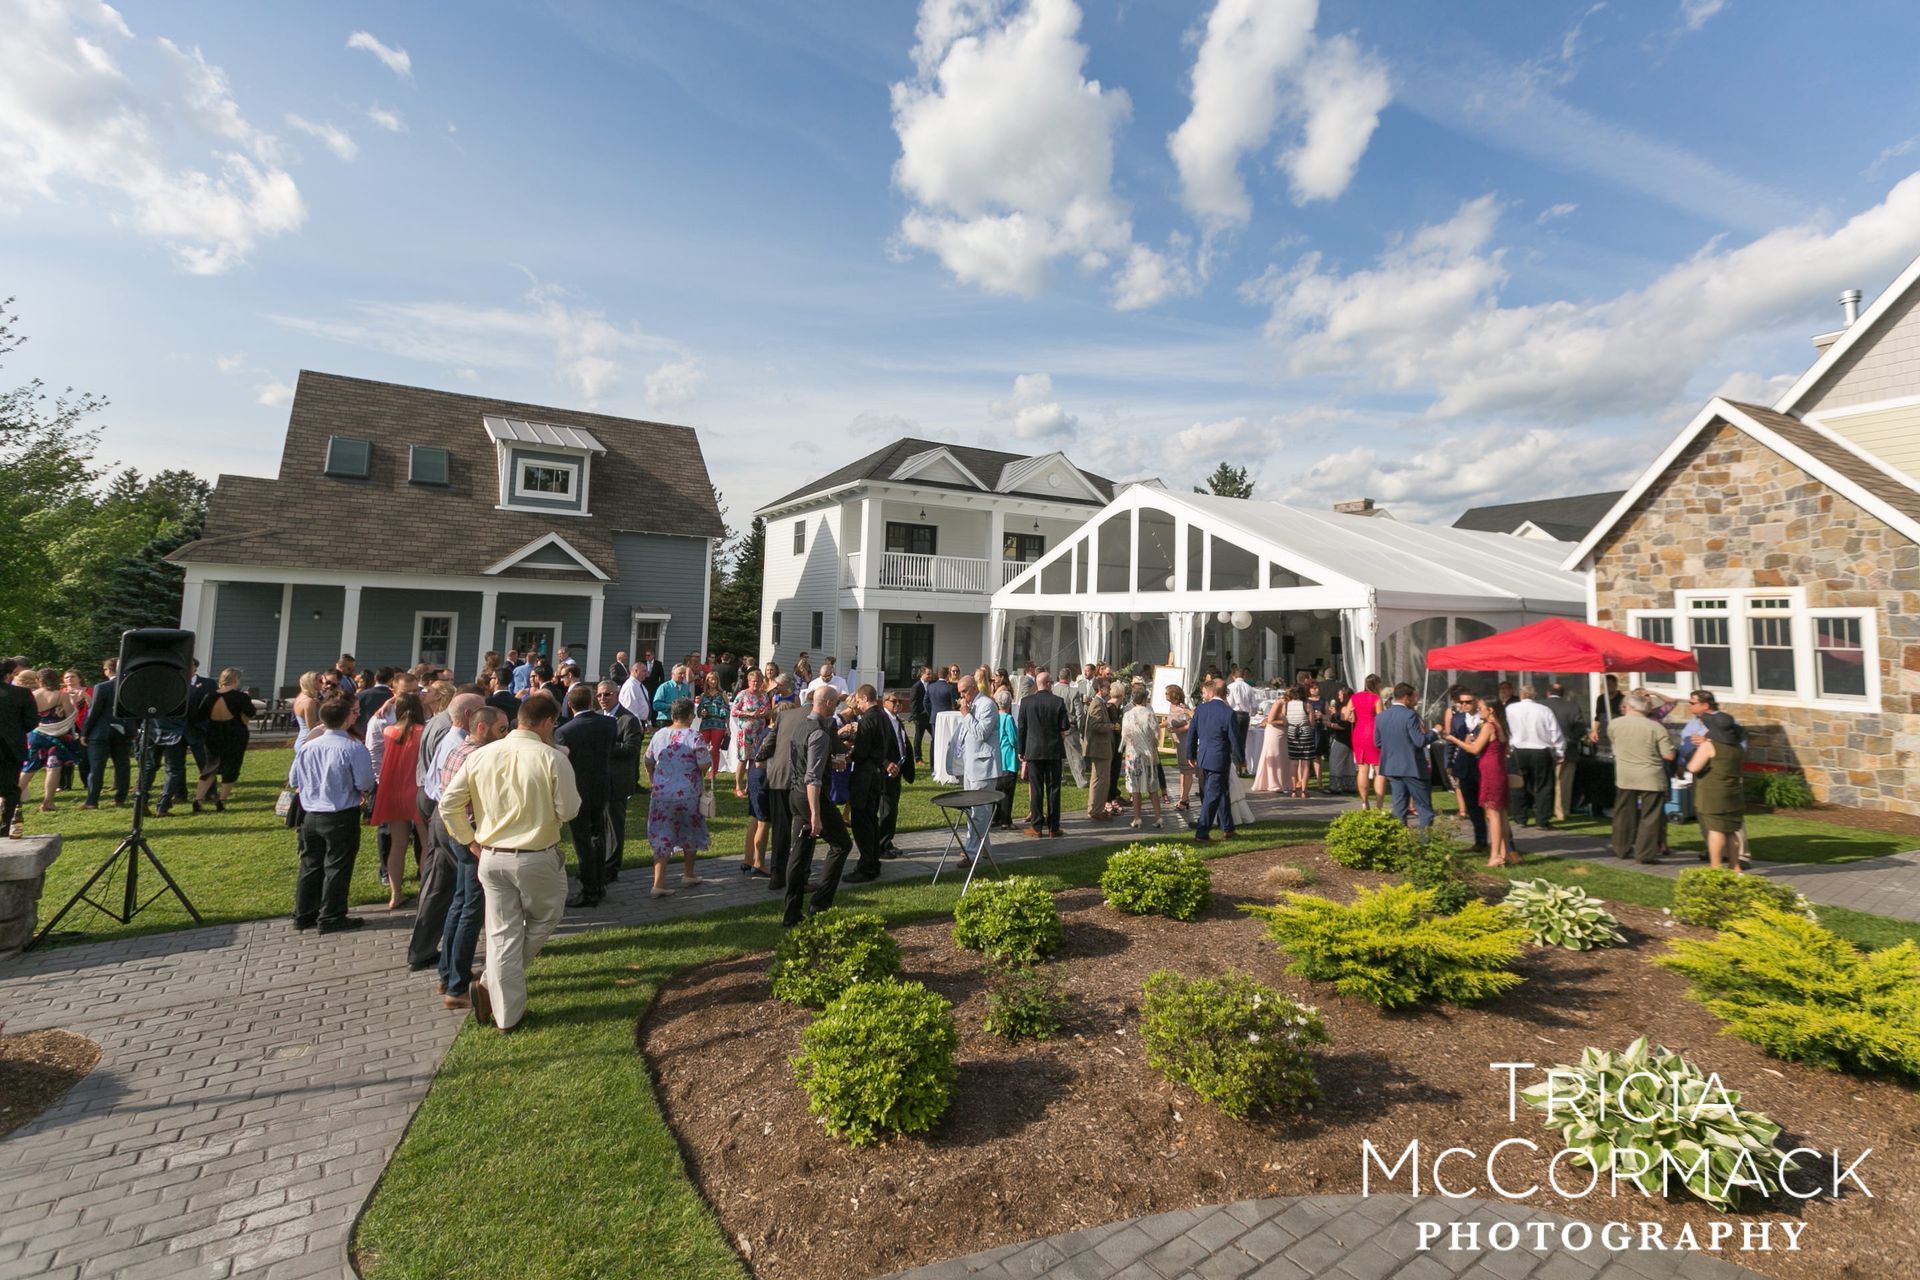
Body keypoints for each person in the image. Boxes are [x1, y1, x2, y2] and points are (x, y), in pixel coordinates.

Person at [440, 695, 582, 1033]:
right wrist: (471, 840)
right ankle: (495, 989)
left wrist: (470, 840)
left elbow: (448, 804)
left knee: (503, 934)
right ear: (547, 722)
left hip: (491, 856)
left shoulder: (481, 755)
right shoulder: (552, 758)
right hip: (534, 855)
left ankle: (504, 1007)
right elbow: (569, 810)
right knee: (545, 917)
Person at [407, 692, 484, 972]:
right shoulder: (460, 744)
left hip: (440, 814)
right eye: (483, 710)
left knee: (440, 887)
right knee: (467, 895)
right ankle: (454, 964)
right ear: (469, 716)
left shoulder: (446, 733)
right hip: (453, 819)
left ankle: (423, 950)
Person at [289, 695, 374, 935]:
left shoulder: (308, 747)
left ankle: (304, 913)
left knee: (310, 864)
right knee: (337, 865)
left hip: (311, 813)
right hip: (340, 814)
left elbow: (294, 779)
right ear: (347, 719)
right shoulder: (353, 748)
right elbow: (365, 782)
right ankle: (331, 915)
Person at [785, 686, 856, 926]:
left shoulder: (800, 725)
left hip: (795, 794)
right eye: (835, 703)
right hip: (811, 797)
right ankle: (820, 905)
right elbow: (813, 778)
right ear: (828, 703)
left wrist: (830, 763)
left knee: (800, 852)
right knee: (842, 844)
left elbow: (800, 762)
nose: (836, 708)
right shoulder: (820, 733)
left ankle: (791, 913)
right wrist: (815, 815)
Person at [554, 682, 616, 907]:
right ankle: (599, 882)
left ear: (570, 705)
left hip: (578, 790)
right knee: (598, 836)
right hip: (601, 786)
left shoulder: (564, 732)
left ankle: (590, 887)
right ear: (591, 702)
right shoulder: (609, 724)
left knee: (582, 840)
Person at [643, 697, 710, 898]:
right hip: (688, 794)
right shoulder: (694, 736)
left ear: (672, 715)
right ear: (690, 715)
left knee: (662, 835)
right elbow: (704, 764)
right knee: (690, 832)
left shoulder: (659, 735)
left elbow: (648, 760)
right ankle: (688, 874)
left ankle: (658, 882)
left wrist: (652, 779)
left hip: (661, 794)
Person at [373, 692, 430, 910]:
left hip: (394, 790)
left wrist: (387, 703)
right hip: (417, 789)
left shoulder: (389, 731)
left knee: (397, 844)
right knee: (426, 843)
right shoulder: (423, 732)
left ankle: (395, 893)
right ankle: (425, 891)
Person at [1445, 696, 1515, 866]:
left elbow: (1474, 749)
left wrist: (1455, 740)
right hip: (1498, 770)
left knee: (1493, 814)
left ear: (1491, 710)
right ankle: (1506, 852)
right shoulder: (1500, 726)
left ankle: (1495, 855)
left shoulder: (1489, 726)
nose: (1479, 710)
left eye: (1481, 707)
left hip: (1490, 772)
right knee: (1501, 813)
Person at [1609, 690, 1675, 864]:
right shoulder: (1656, 727)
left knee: (1623, 814)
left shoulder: (1614, 724)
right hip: (1650, 775)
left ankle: (1621, 848)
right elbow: (1668, 755)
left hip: (1625, 775)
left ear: (1628, 707)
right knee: (1650, 816)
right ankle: (1644, 854)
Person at [756, 677, 809, 891]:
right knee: (801, 828)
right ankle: (798, 877)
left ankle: (777, 876)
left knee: (780, 829)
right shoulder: (806, 722)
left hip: (777, 778)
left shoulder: (779, 724)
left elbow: (763, 752)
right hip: (797, 780)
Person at [846, 684, 902, 883]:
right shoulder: (882, 717)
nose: (857, 705)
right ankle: (873, 861)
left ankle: (866, 866)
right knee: (871, 820)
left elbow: (862, 751)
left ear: (863, 698)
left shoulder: (867, 720)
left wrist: (850, 752)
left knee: (861, 822)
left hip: (865, 775)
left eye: (858, 701)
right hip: (877, 773)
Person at [1687, 711, 1747, 871]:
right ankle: (1735, 867)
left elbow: (1693, 767)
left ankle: (1715, 868)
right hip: (1733, 792)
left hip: (1713, 793)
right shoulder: (1737, 748)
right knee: (1732, 831)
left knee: (1716, 830)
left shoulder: (1709, 746)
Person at [1374, 682, 1437, 831]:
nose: (1416, 700)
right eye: (1414, 697)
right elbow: (1419, 741)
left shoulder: (1381, 716)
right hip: (1412, 767)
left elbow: (1378, 742)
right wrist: (1435, 732)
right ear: (1406, 698)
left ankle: (1400, 840)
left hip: (1392, 767)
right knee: (1423, 807)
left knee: (1399, 807)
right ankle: (1425, 841)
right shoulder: (1410, 715)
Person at [190, 668, 255, 812]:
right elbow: (251, 712)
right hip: (235, 733)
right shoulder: (240, 697)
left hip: (213, 732)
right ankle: (221, 800)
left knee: (210, 767)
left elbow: (200, 715)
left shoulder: (210, 695)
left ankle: (198, 799)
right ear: (236, 680)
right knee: (231, 766)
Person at [951, 674, 1001, 858]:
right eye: (959, 692)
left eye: (964, 691)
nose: (962, 696)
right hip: (971, 767)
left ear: (974, 688)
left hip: (984, 768)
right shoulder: (972, 706)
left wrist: (966, 715)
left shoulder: (987, 705)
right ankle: (984, 849)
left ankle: (972, 854)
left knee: (979, 813)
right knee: (975, 811)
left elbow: (981, 733)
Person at [1505, 685, 1565, 830]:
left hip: (1518, 750)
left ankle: (1520, 818)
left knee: (1518, 785)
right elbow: (1555, 732)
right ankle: (1542, 820)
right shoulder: (1544, 710)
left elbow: (1506, 729)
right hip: (1540, 750)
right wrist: (1559, 752)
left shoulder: (1510, 709)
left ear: (1521, 695)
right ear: (1534, 696)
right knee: (1543, 786)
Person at [730, 669, 772, 877]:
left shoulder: (764, 696)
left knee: (755, 764)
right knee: (744, 759)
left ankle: (749, 860)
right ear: (748, 681)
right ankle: (739, 784)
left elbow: (769, 712)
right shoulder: (742, 695)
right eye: (753, 681)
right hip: (746, 731)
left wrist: (763, 714)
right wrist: (749, 714)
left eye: (758, 681)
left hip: (760, 733)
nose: (755, 684)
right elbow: (734, 711)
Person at [1016, 670, 1067, 838]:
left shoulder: (1026, 702)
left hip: (1033, 750)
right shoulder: (1058, 702)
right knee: (1054, 789)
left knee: (1036, 788)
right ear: (1048, 683)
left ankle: (1036, 826)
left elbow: (1022, 728)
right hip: (1053, 751)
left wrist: (1021, 750)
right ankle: (1053, 827)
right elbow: (1064, 727)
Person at [1185, 678, 1237, 843]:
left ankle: (1227, 827)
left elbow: (1192, 733)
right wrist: (1240, 758)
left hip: (1204, 757)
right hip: (1218, 759)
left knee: (1222, 792)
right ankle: (1202, 832)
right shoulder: (1228, 712)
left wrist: (1190, 754)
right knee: (1213, 795)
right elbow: (1235, 739)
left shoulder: (1200, 709)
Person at [1440, 688, 1488, 852]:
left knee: (1490, 807)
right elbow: (1451, 741)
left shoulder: (1485, 717)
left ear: (1476, 701)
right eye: (1461, 702)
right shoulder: (1457, 718)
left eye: (1468, 702)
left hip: (1483, 764)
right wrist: (1448, 763)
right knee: (1472, 806)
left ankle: (1503, 843)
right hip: (1464, 765)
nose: (1464, 705)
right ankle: (1480, 840)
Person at [81, 658, 128, 810]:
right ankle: (120, 798)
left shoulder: (102, 687)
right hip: (123, 731)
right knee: (122, 765)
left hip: (101, 731)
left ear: (108, 670)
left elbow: (94, 711)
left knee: (97, 767)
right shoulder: (129, 686)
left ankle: (92, 800)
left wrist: (85, 732)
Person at [0, 659, 39, 838]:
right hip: (11, 747)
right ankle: (6, 826)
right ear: (8, 675)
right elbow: (31, 721)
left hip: (10, 747)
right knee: (10, 789)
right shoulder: (22, 694)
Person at [875, 687, 915, 857]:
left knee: (892, 809)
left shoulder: (897, 720)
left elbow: (902, 743)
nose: (898, 704)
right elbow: (875, 746)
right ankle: (880, 846)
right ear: (884, 702)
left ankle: (887, 842)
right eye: (894, 701)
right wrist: (885, 763)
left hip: (897, 770)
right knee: (886, 810)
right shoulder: (881, 720)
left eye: (900, 701)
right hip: (885, 772)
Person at [1120, 686, 1165, 829]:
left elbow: (1124, 735)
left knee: (1135, 787)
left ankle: (1137, 818)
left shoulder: (1128, 715)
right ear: (1145, 699)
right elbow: (1156, 734)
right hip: (1148, 754)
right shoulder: (1150, 714)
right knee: (1153, 787)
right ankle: (1158, 817)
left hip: (1133, 754)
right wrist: (1151, 744)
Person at [1544, 682, 1585, 822]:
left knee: (1544, 781)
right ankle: (1561, 812)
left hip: (1543, 748)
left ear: (1548, 693)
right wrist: (1569, 739)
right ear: (1563, 694)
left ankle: (1543, 809)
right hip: (1568, 749)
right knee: (1564, 783)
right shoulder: (1572, 707)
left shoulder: (1541, 706)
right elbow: (1580, 729)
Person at [1348, 675, 1386, 810]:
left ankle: (1364, 802)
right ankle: (1379, 805)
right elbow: (1381, 719)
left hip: (1358, 733)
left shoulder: (1354, 697)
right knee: (1379, 770)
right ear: (1376, 685)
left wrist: (1353, 715)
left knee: (1362, 769)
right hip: (1373, 733)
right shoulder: (1376, 699)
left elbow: (1347, 715)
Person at [1081, 676, 1116, 822]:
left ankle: (1095, 808)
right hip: (1099, 748)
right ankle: (1096, 810)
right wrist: (1111, 726)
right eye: (1107, 687)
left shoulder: (1100, 702)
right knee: (1101, 780)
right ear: (1100, 689)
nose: (1110, 690)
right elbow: (1094, 725)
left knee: (1099, 779)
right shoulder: (1096, 703)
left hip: (1101, 747)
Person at [1158, 683, 1195, 811]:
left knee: (1187, 770)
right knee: (1182, 770)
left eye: (1167, 693)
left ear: (1174, 695)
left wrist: (1177, 730)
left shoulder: (1182, 708)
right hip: (1178, 742)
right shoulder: (1172, 707)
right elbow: (1169, 719)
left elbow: (1191, 724)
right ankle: (1183, 797)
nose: (1165, 695)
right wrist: (1158, 726)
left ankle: (1184, 799)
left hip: (1185, 741)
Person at [990, 688, 1020, 828]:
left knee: (997, 789)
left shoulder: (994, 717)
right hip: (1008, 757)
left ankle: (995, 817)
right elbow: (1013, 739)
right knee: (1007, 791)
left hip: (997, 757)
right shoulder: (1008, 719)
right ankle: (1006, 820)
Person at [1252, 686, 1290, 794]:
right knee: (1275, 756)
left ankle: (1284, 782)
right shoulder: (1279, 703)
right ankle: (1273, 783)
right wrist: (1286, 723)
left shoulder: (1291, 704)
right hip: (1275, 732)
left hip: (1283, 732)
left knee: (1283, 757)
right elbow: (1271, 720)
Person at [1283, 681, 1317, 799]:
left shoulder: (1286, 705)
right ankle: (1303, 790)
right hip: (1305, 734)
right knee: (1305, 763)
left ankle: (1293, 790)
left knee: (1293, 763)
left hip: (1292, 734)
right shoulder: (1307, 705)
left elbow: (1285, 722)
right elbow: (1312, 723)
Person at [1224, 667, 1257, 774]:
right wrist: (1252, 714)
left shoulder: (1230, 687)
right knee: (1242, 741)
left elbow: (1229, 703)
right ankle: (1242, 764)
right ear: (1244, 676)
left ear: (1233, 676)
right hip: (1245, 715)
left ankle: (1238, 765)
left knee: (1234, 740)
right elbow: (1254, 705)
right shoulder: (1249, 687)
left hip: (1234, 714)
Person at [1324, 685, 1355, 796]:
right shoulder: (1351, 707)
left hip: (1341, 739)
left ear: (1345, 696)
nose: (1338, 697)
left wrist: (1330, 724)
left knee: (1335, 761)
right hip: (1350, 739)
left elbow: (1343, 726)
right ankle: (1350, 785)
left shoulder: (1345, 708)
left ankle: (1335, 787)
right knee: (1348, 763)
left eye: (1340, 695)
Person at [650, 663, 692, 728]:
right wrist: (672, 706)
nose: (683, 675)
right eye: (680, 673)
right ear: (673, 674)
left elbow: (688, 702)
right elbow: (656, 705)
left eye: (684, 673)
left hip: (681, 721)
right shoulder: (664, 687)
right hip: (666, 720)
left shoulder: (686, 688)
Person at [1591, 674, 1624, 747]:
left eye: (1609, 685)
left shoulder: (1623, 699)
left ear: (1615, 685)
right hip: (1604, 733)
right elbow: (1598, 717)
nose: (1607, 687)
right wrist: (1595, 731)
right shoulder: (1601, 699)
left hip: (1619, 733)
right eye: (1605, 685)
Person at [909, 666, 933, 764]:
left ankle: (934, 756)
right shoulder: (916, 686)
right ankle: (918, 758)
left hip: (930, 716)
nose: (930, 676)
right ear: (922, 674)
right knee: (918, 738)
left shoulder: (931, 685)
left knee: (935, 736)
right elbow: (913, 702)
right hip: (920, 717)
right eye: (928, 674)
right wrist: (915, 716)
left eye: (930, 674)